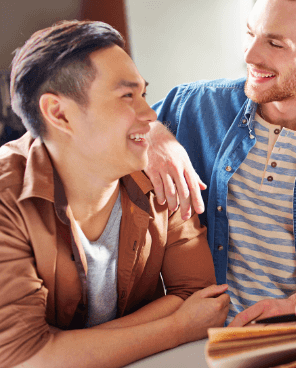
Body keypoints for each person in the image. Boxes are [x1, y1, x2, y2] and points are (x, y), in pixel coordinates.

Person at [0, 20, 230, 368]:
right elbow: (25, 356)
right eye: (126, 96)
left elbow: (199, 299)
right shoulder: (7, 196)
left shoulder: (158, 174)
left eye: (143, 94)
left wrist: (65, 347)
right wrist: (175, 329)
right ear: (58, 113)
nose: (150, 116)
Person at [148, 0, 296, 325]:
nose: (250, 55)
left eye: (274, 43)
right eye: (250, 33)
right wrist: (151, 133)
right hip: (197, 340)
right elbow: (116, 126)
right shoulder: (194, 106)